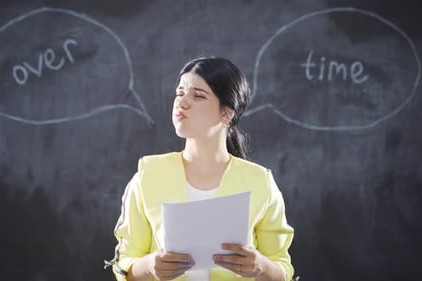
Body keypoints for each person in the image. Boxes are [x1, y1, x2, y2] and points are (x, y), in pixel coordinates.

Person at [110, 56, 294, 281]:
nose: (182, 102)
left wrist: (261, 267)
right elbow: (124, 265)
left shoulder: (259, 181)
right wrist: (149, 266)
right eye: (179, 93)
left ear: (227, 113)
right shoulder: (149, 175)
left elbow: (282, 268)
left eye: (198, 95)